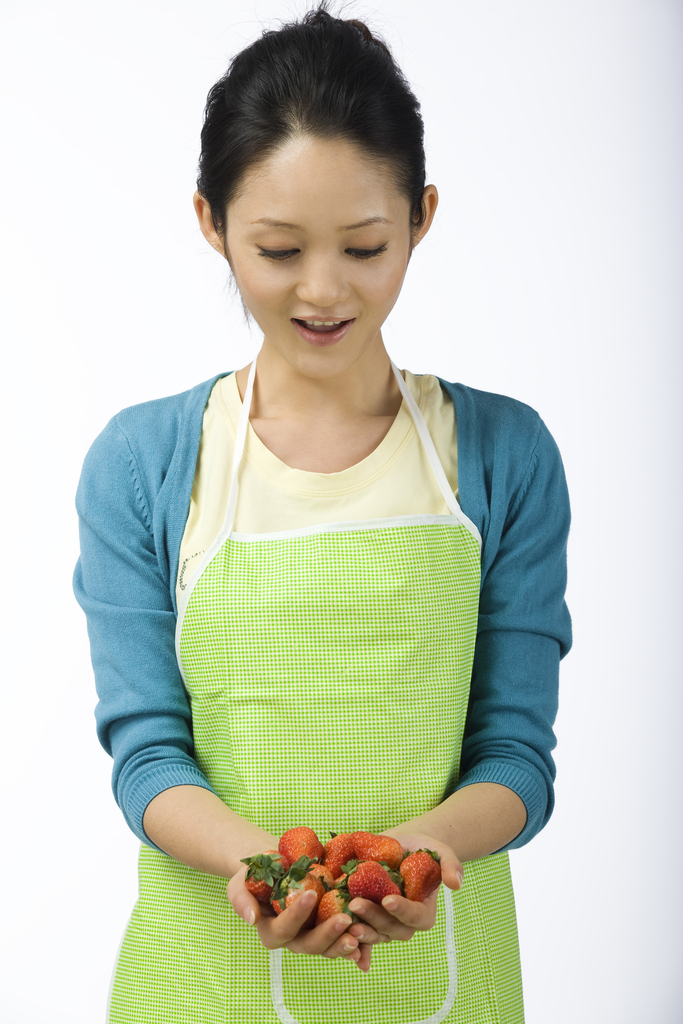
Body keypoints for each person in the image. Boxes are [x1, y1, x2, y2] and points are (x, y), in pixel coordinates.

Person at [74, 5, 572, 1022]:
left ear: (420, 216)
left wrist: (423, 853)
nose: (321, 289)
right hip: (195, 983)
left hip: (443, 979)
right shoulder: (142, 465)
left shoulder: (503, 455)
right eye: (276, 249)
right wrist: (262, 866)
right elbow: (147, 755)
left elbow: (514, 756)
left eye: (362, 245)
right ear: (210, 223)